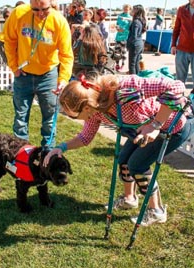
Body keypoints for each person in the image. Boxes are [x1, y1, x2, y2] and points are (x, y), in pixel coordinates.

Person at [43, 73, 194, 226]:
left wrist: (155, 125)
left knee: (137, 165)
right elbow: (85, 137)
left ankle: (157, 211)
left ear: (86, 107)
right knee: (123, 160)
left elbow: (176, 86)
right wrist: (61, 147)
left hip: (173, 128)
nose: (76, 119)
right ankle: (129, 199)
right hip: (143, 131)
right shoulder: (95, 111)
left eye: (75, 116)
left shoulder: (126, 88)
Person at [4, 0, 73, 147]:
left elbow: (66, 55)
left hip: (48, 76)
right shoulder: (19, 13)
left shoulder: (59, 21)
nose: (40, 13)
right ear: (29, 1)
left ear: (51, 0)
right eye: (35, 9)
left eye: (45, 9)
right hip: (24, 75)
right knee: (20, 120)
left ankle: (46, 156)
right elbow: (9, 40)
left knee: (49, 120)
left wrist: (63, 80)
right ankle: (20, 158)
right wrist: (14, 67)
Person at [171, 0, 194, 86]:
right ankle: (179, 100)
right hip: (182, 50)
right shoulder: (181, 9)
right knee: (179, 81)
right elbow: (176, 29)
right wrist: (173, 45)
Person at [127, 4, 147, 75]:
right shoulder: (140, 20)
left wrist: (129, 45)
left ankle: (133, 81)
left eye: (133, 9)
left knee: (132, 64)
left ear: (136, 11)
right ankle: (137, 79)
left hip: (135, 44)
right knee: (136, 63)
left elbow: (134, 35)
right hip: (139, 43)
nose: (131, 11)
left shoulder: (136, 21)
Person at [114, 4, 132, 70]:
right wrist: (117, 27)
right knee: (117, 52)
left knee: (124, 52)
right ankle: (117, 64)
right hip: (118, 36)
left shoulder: (130, 17)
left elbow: (130, 28)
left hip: (125, 37)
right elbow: (117, 24)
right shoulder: (120, 16)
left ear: (130, 9)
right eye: (124, 8)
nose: (125, 10)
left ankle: (123, 64)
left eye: (127, 9)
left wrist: (124, 30)